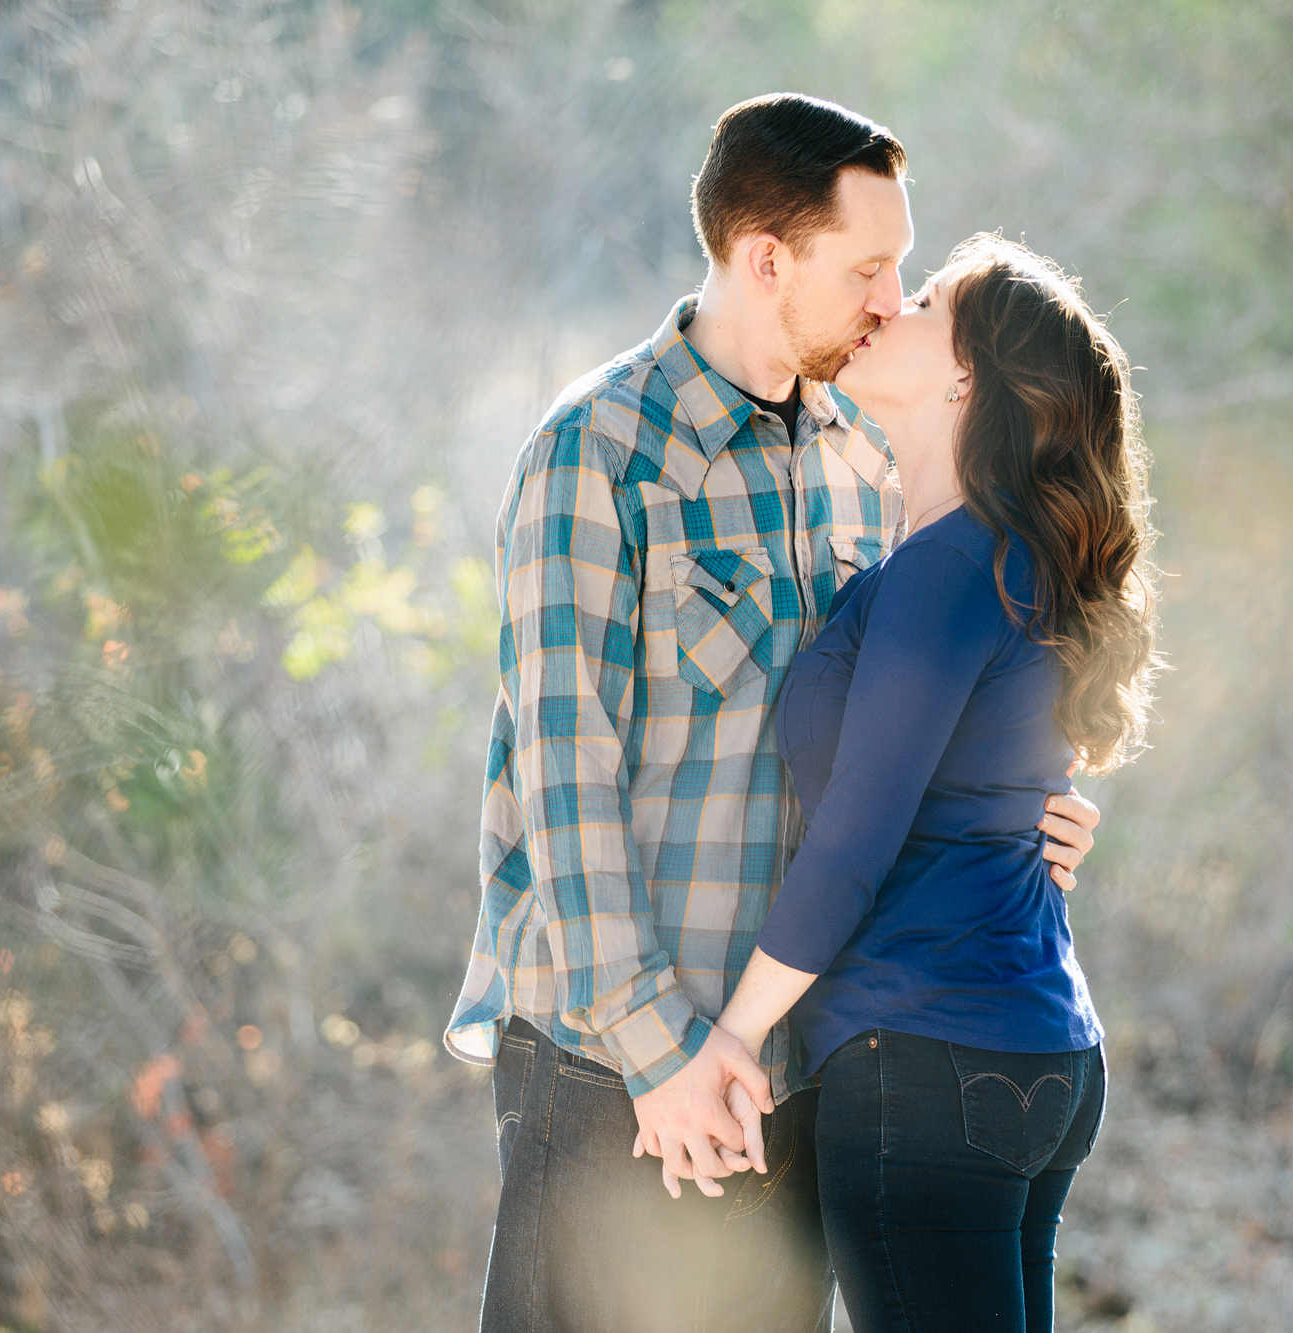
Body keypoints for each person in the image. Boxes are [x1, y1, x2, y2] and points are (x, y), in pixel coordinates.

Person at [442, 95, 1103, 1332]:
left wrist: (1022, 808)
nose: (887, 296)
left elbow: (917, 720)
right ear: (765, 260)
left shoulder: (871, 451)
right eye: (868, 267)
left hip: (793, 1072)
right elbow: (561, 774)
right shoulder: (600, 452)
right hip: (612, 1064)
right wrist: (660, 1053)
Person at [705, 234, 1160, 1333]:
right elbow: (993, 782)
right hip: (1032, 1051)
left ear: (964, 375)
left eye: (919, 301)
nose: (883, 309)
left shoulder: (952, 562)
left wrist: (728, 1037)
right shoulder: (995, 555)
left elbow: (856, 838)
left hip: (930, 1058)